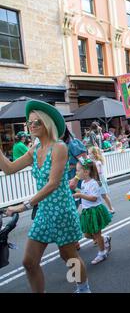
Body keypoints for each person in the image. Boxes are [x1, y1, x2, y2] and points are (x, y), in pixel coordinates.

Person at [2, 100, 90, 293]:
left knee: (68, 256)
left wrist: (22, 206)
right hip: (44, 212)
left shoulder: (59, 147)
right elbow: (9, 169)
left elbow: (53, 184)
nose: (31, 126)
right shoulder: (34, 150)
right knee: (29, 262)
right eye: (29, 122)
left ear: (47, 124)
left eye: (37, 122)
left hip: (61, 210)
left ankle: (82, 288)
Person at [73, 160, 112, 264]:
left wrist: (80, 195)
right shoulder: (83, 182)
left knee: (96, 233)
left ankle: (102, 253)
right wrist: (78, 191)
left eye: (78, 171)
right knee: (87, 235)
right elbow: (85, 193)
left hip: (95, 211)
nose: (76, 173)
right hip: (87, 211)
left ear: (86, 172)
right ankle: (104, 239)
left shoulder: (94, 183)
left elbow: (94, 198)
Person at [89, 146, 115, 214]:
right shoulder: (92, 162)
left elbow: (98, 172)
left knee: (104, 195)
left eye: (90, 153)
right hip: (95, 180)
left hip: (99, 180)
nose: (89, 155)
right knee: (95, 196)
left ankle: (111, 208)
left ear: (95, 154)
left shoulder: (98, 162)